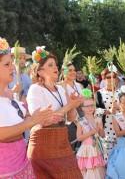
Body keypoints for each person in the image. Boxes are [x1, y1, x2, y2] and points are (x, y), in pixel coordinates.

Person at [0, 37, 55, 178]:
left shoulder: (9, 96)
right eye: (7, 64)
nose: (12, 67)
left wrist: (40, 117)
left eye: (12, 63)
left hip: (22, 165)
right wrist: (31, 121)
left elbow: (21, 120)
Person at [26, 46, 83, 178]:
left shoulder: (61, 90)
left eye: (55, 65)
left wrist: (73, 105)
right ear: (39, 71)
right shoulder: (35, 89)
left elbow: (71, 117)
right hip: (42, 144)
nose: (55, 68)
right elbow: (42, 120)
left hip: (62, 142)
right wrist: (69, 106)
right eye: (50, 65)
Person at [96, 68, 125, 161]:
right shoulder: (99, 93)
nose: (111, 79)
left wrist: (119, 107)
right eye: (108, 77)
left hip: (120, 128)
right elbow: (96, 111)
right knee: (108, 157)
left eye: (113, 76)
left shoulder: (121, 92)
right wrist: (109, 111)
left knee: (121, 158)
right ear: (104, 79)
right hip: (106, 129)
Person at [76, 89, 105, 179]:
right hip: (86, 150)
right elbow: (79, 138)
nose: (90, 108)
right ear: (82, 108)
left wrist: (100, 127)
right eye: (87, 106)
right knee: (88, 171)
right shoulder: (81, 121)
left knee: (97, 170)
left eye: (92, 105)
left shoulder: (97, 119)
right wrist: (91, 132)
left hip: (96, 148)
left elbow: (102, 135)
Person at [60, 62, 83, 152]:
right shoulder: (60, 86)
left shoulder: (79, 85)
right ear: (63, 72)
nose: (73, 72)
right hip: (68, 121)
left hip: (81, 119)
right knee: (71, 148)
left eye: (74, 70)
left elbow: (83, 103)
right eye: (70, 70)